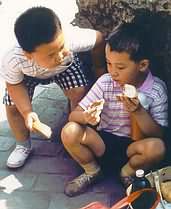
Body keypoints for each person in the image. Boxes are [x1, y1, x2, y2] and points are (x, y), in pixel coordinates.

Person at [61, 22, 168, 197]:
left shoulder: (156, 89)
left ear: (142, 65)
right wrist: (86, 118)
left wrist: (139, 111)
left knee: (157, 148)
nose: (113, 72)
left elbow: (158, 134)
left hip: (133, 149)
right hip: (102, 143)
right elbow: (73, 115)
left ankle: (127, 174)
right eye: (108, 63)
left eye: (120, 67)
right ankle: (92, 171)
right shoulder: (105, 82)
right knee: (70, 131)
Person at [0, 6, 105, 169]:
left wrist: (99, 71)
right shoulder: (13, 59)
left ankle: (75, 134)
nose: (59, 55)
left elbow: (99, 39)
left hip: (65, 69)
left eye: (61, 47)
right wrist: (27, 112)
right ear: (28, 54)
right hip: (28, 75)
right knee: (12, 106)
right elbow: (14, 85)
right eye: (51, 54)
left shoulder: (73, 39)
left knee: (79, 92)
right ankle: (23, 145)